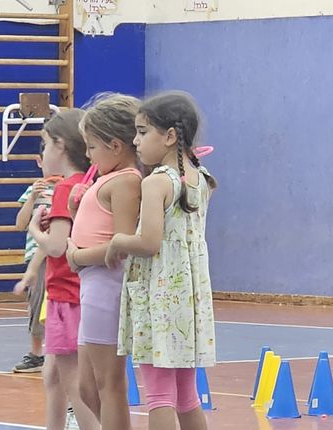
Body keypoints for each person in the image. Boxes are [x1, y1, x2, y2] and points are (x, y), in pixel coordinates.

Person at [105, 91, 216, 430]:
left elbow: (149, 241)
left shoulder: (156, 183)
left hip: (161, 299)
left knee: (159, 396)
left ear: (169, 136)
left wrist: (118, 241)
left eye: (142, 131)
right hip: (190, 301)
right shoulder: (200, 177)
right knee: (186, 395)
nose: (135, 141)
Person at [64, 93, 142, 430]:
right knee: (86, 386)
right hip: (90, 285)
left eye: (92, 146)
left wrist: (78, 256)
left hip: (106, 285)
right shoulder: (107, 178)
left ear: (115, 146)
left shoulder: (126, 181)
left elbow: (122, 245)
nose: (87, 154)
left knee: (109, 384)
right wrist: (74, 209)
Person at [26, 109, 100, 430]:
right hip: (80, 293)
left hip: (65, 296)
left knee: (73, 382)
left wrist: (34, 231)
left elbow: (56, 246)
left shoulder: (63, 188)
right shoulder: (86, 185)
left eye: (44, 145)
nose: (43, 153)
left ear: (60, 145)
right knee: (53, 374)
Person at [11, 141, 59, 374]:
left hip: (60, 252)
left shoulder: (68, 187)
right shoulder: (34, 189)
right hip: (36, 255)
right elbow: (20, 224)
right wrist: (32, 199)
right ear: (39, 161)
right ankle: (36, 352)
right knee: (37, 300)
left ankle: (55, 349)